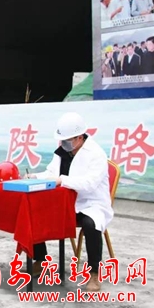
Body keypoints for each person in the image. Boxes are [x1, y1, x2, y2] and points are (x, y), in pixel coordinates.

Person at [27, 112, 114, 293]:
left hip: (90, 204)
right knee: (34, 212)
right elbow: (51, 173)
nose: (63, 143)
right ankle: (40, 260)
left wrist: (62, 180)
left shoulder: (96, 154)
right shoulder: (63, 152)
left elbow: (89, 184)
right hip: (64, 202)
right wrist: (35, 176)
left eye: (66, 140)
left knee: (91, 224)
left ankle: (94, 273)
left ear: (79, 138)